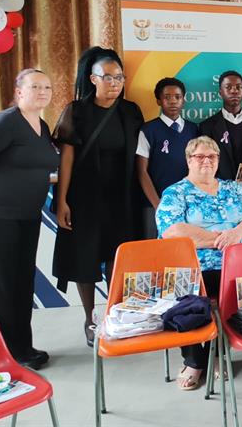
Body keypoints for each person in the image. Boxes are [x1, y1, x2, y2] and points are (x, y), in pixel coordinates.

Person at [0, 69, 59, 370]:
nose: (42, 91)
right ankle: (2, 355)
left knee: (21, 283)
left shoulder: (42, 125)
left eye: (47, 87)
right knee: (2, 286)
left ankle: (22, 348)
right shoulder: (7, 121)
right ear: (19, 92)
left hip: (26, 214)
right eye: (35, 86)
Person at [53, 47, 144, 347]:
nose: (115, 83)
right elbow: (66, 159)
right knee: (85, 259)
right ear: (93, 79)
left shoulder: (130, 111)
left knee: (120, 259)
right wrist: (62, 199)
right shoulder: (76, 111)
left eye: (119, 77)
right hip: (85, 198)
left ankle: (118, 315)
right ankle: (91, 319)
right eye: (108, 77)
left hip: (122, 198)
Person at [156, 136, 242, 390]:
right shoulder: (176, 192)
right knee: (183, 290)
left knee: (234, 287)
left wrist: (236, 234)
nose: (206, 161)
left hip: (237, 262)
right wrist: (221, 239)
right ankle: (194, 358)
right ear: (188, 160)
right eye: (199, 156)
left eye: (211, 156)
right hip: (194, 265)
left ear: (218, 160)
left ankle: (218, 354)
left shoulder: (233, 188)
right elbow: (172, 230)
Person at [136, 78, 199, 239]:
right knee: (155, 255)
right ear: (158, 101)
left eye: (177, 97)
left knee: (185, 252)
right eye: (167, 97)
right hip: (154, 204)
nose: (173, 101)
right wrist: (159, 205)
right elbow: (141, 171)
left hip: (188, 204)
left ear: (183, 100)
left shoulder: (194, 130)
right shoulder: (148, 130)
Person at [199, 70, 242, 194]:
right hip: (219, 194)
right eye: (228, 87)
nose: (234, 91)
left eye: (238, 87)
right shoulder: (207, 127)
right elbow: (204, 164)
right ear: (220, 92)